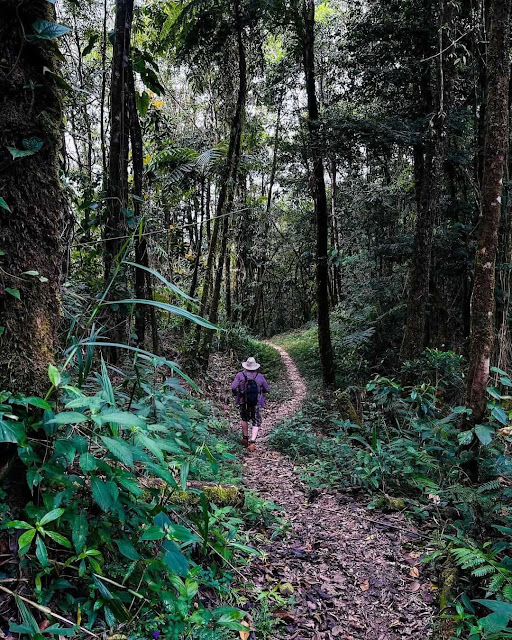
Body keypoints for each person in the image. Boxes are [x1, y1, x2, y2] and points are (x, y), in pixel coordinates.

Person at [231, 357, 270, 451]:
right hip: (256, 401)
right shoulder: (259, 376)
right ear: (255, 366)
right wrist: (260, 392)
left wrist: (237, 395)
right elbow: (267, 389)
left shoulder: (240, 375)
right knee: (256, 420)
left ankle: (245, 439)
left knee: (244, 418)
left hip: (243, 400)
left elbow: (233, 387)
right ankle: (252, 443)